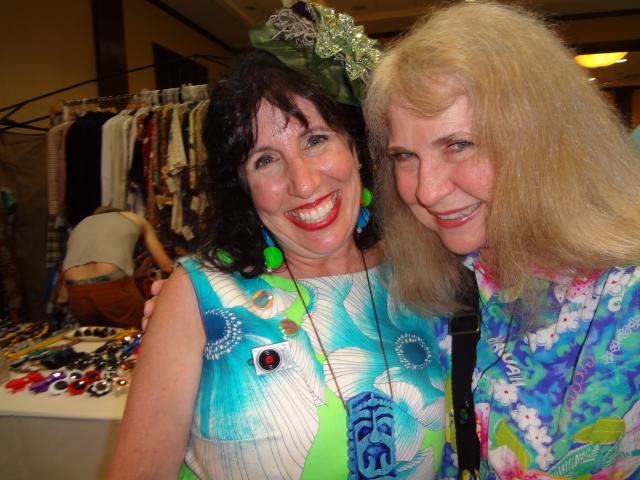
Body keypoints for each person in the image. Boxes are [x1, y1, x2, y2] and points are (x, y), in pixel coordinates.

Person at [107, 5, 447, 479]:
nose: (303, 183)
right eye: (265, 160)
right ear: (243, 187)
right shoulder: (199, 297)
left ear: (355, 147)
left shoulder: (423, 270)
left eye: (315, 140)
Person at [364, 2, 640, 478]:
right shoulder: (418, 288)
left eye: (458, 145)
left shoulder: (625, 302)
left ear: (541, 141)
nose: (426, 191)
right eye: (405, 155)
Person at [63, 206, 173, 328]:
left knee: (97, 336)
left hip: (75, 290)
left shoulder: (83, 223)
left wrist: (134, 275)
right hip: (113, 288)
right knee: (142, 331)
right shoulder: (134, 218)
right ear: (119, 213)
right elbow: (166, 266)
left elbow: (92, 272)